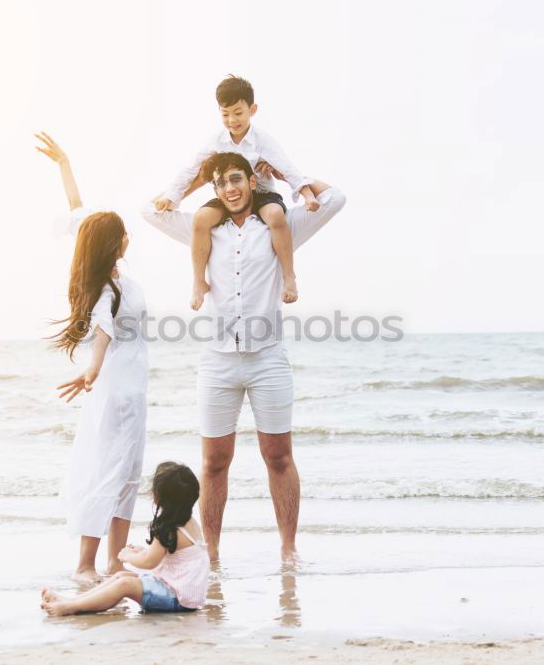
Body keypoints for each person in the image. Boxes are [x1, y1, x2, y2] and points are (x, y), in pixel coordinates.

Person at [144, 151, 346, 564]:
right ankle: (212, 552)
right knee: (214, 462)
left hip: (267, 359)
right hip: (217, 362)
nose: (231, 188)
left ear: (252, 181)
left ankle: (288, 548)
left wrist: (295, 179)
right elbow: (150, 210)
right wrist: (199, 181)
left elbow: (335, 199)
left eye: (237, 179)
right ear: (216, 189)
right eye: (222, 183)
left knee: (278, 456)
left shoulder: (279, 222)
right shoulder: (206, 226)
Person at [36, 131, 149, 585]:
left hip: (131, 391)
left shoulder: (112, 272)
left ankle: (115, 562)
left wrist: (64, 163)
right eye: (123, 233)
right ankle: (86, 564)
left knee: (128, 476)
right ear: (113, 243)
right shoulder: (109, 287)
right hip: (118, 392)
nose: (128, 236)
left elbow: (78, 209)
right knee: (112, 473)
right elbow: (103, 328)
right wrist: (93, 369)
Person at [152, 75, 322, 311]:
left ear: (252, 110)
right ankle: (199, 282)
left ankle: (289, 277)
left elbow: (288, 168)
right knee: (201, 219)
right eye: (225, 114)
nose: (232, 120)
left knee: (275, 216)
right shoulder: (215, 141)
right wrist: (171, 197)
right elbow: (190, 169)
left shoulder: (262, 140)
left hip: (261, 194)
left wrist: (308, 196)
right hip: (229, 197)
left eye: (238, 113)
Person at [40, 462, 210, 615]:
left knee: (124, 585)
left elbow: (149, 562)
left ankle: (72, 607)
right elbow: (169, 556)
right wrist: (142, 551)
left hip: (176, 599)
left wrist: (128, 556)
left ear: (158, 498)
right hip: (183, 594)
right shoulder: (189, 523)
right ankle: (71, 601)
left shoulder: (168, 529)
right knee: (121, 576)